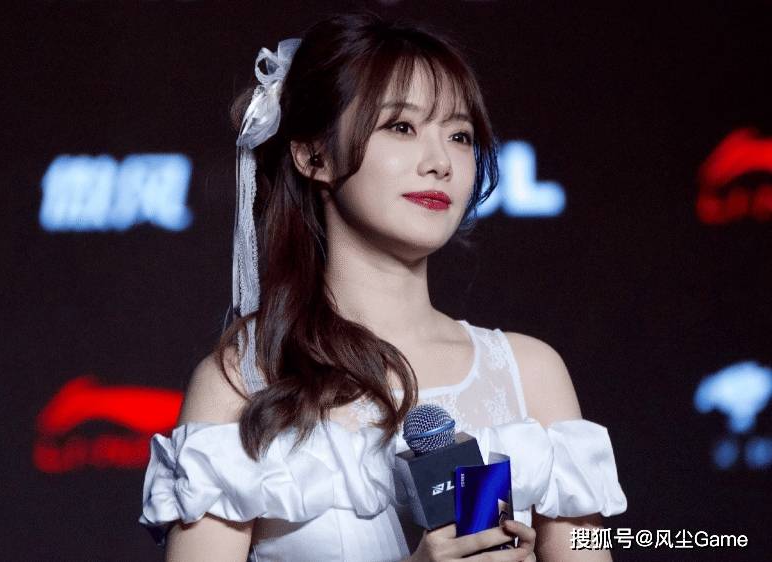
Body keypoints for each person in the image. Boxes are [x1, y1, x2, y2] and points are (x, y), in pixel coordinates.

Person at [140, 12, 627, 562]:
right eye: (401, 127)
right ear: (314, 155)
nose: (440, 162)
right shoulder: (243, 382)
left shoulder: (531, 373)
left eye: (460, 135)